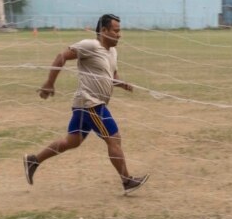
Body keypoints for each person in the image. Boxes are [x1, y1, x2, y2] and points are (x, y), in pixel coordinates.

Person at [23, 13, 148, 195]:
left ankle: (34, 160)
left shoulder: (112, 52)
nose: (119, 35)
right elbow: (61, 56)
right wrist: (49, 83)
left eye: (120, 31)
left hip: (85, 104)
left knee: (71, 141)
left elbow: (112, 77)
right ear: (104, 31)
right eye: (116, 31)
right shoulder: (90, 46)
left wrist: (123, 84)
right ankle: (127, 180)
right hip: (91, 104)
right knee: (114, 138)